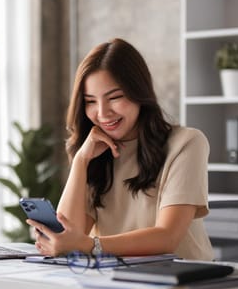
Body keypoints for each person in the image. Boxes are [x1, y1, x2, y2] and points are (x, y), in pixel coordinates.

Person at [26, 38, 213, 260]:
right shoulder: (96, 153)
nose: (103, 113)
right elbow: (68, 236)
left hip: (184, 281)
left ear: (139, 93)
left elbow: (167, 237)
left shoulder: (187, 143)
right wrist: (80, 161)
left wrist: (89, 245)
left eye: (114, 97)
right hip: (114, 282)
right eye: (90, 101)